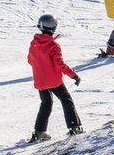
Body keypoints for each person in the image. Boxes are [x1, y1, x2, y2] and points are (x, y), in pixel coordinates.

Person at [27, 14, 84, 144]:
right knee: (66, 100)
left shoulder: (33, 44)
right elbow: (60, 65)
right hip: (53, 81)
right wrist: (74, 75)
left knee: (46, 104)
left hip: (40, 81)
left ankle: (39, 132)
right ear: (53, 27)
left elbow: (30, 60)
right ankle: (74, 127)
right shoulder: (53, 45)